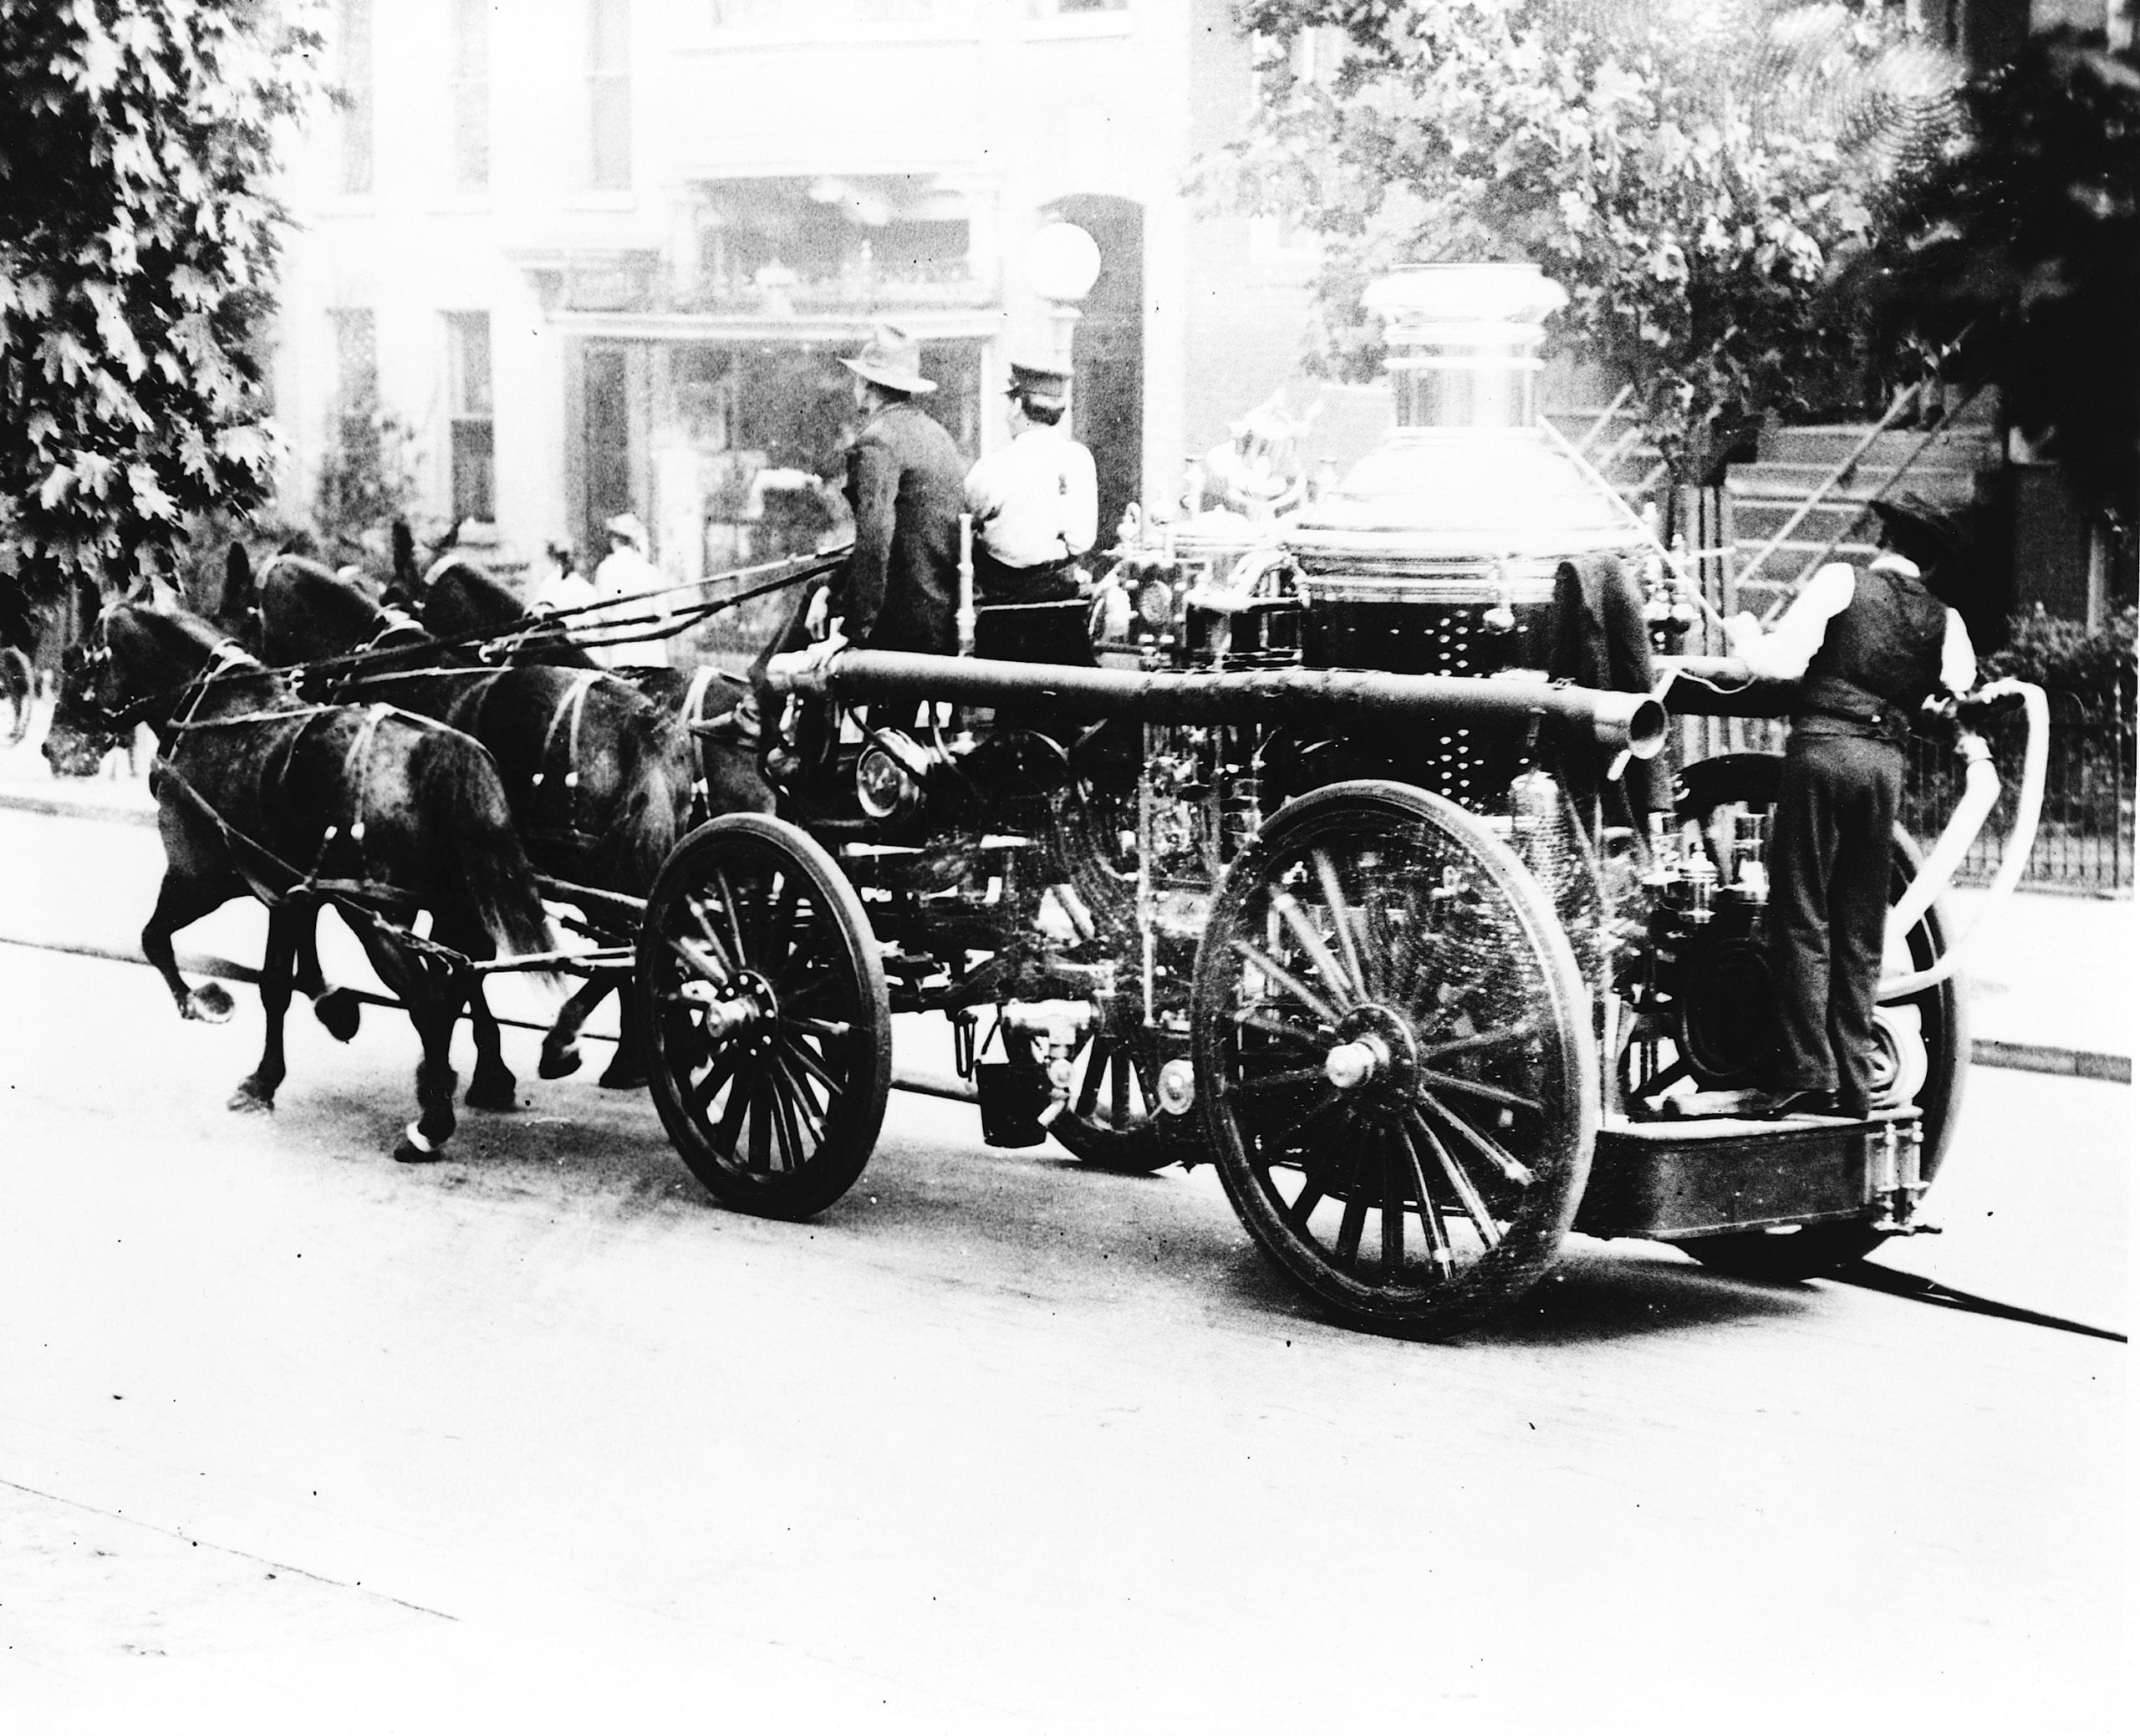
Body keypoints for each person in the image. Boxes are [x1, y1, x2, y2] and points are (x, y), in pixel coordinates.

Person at [1724, 492, 1979, 1119]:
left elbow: (1778, 661)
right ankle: (1856, 1083)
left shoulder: (1842, 581)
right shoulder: (1946, 620)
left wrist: (1745, 634)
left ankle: (1807, 1071)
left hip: (1823, 752)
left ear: (1881, 537)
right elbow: (1960, 684)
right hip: (1884, 767)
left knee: (1802, 910)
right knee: (1861, 926)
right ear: (1932, 564)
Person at [711, 324, 966, 745]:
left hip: (904, 620)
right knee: (818, 587)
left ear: (866, 385)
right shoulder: (936, 437)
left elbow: (876, 542)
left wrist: (851, 630)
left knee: (814, 624)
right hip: (940, 611)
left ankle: (761, 710)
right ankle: (766, 712)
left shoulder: (877, 442)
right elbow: (899, 539)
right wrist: (832, 587)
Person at [963, 359, 1098, 605]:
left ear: (1016, 405)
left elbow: (967, 516)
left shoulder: (992, 468)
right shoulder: (1080, 459)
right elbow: (1081, 541)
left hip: (1000, 600)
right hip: (1061, 595)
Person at [590, 512, 672, 670]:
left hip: (622, 651)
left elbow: (603, 613)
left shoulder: (607, 568)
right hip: (652, 652)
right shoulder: (652, 571)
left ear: (614, 540)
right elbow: (662, 613)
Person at [530, 539, 596, 619]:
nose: (565, 561)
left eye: (567, 557)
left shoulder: (588, 590)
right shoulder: (550, 581)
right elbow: (537, 608)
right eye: (561, 557)